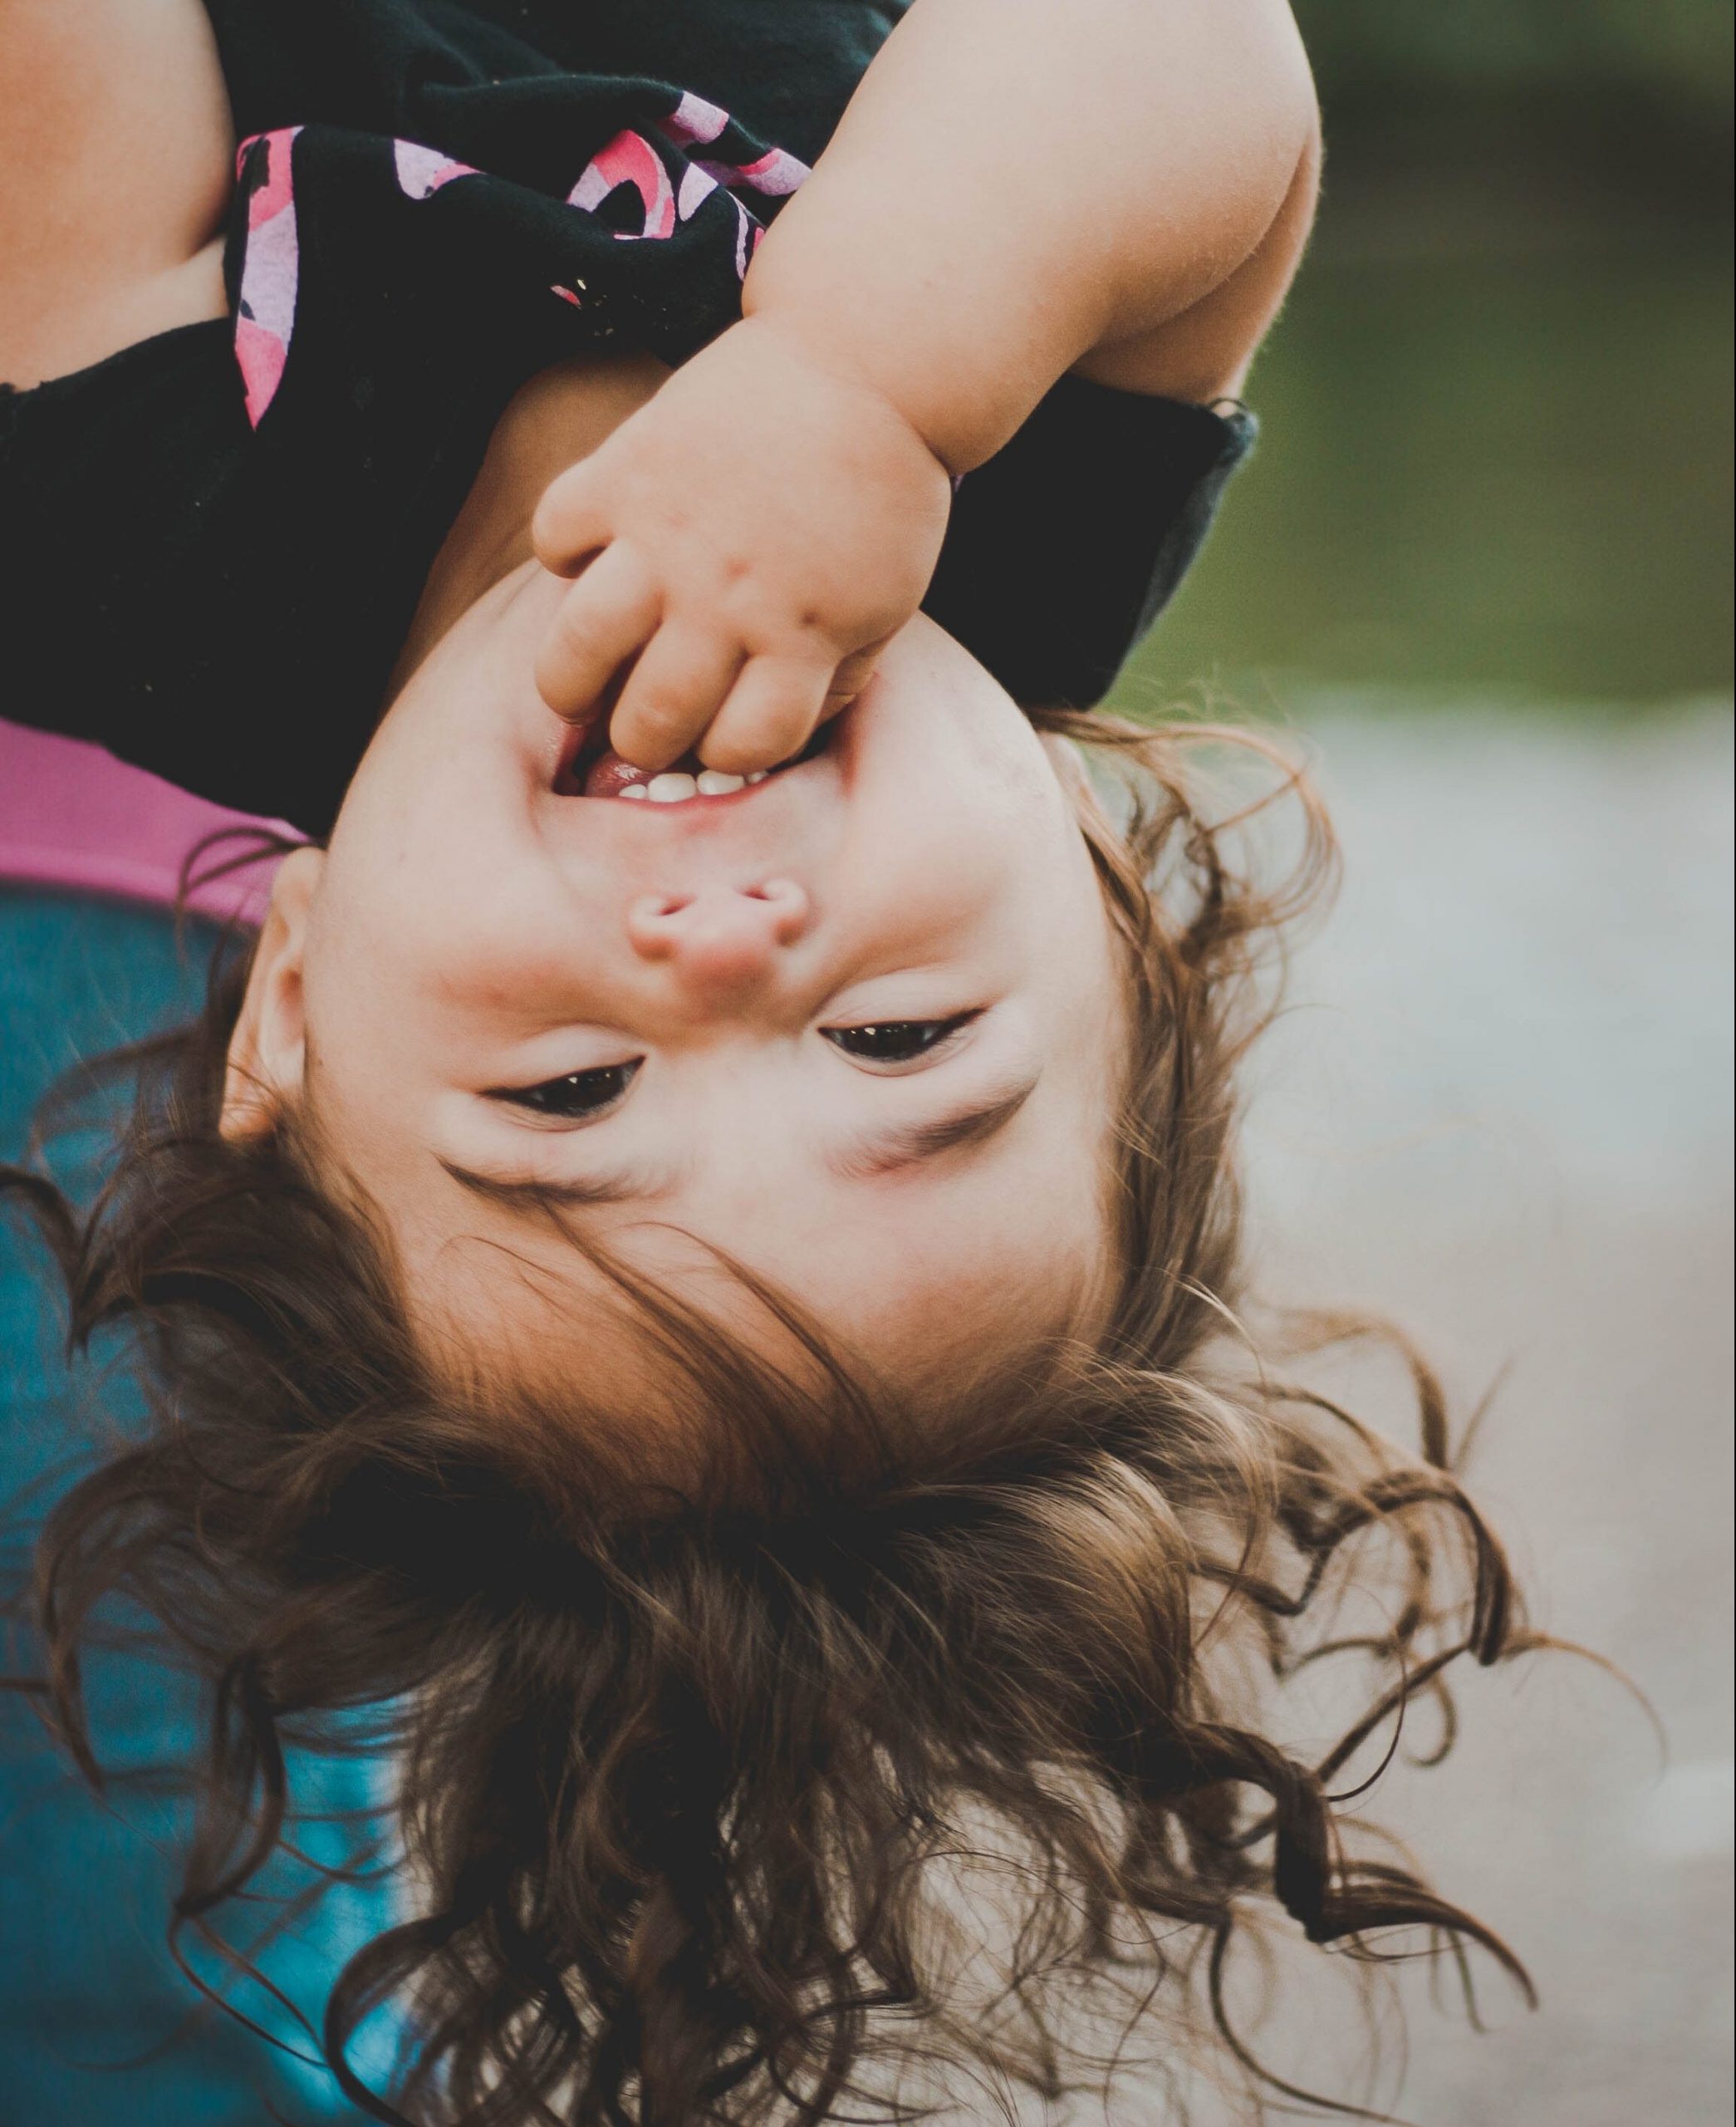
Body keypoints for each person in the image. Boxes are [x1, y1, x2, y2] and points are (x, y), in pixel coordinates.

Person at [2, 2, 1538, 2121]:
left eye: (567, 1097)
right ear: (1091, 906)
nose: (720, 958)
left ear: (285, 1005)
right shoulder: (1016, 517)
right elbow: (1188, 50)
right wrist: (862, 377)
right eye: (903, 1040)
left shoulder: (136, 564)